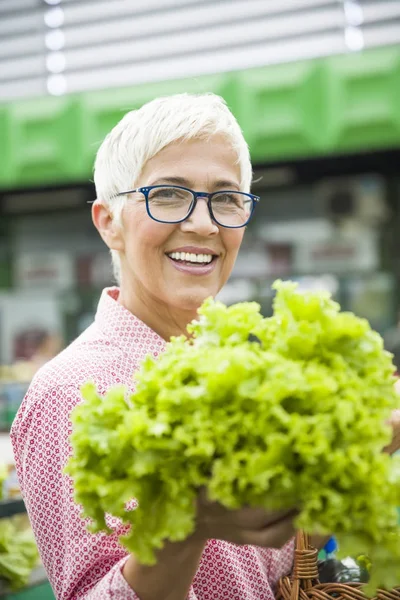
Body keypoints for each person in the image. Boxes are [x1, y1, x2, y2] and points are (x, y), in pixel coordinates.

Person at [10, 93, 399, 600]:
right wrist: (187, 527)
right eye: (169, 194)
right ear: (109, 222)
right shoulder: (66, 393)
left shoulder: (250, 370)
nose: (203, 224)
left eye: (226, 198)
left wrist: (352, 472)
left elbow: (282, 569)